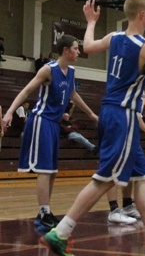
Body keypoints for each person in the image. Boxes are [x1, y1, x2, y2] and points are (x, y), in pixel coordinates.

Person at [41, 0, 145, 256]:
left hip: (111, 112)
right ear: (142, 15)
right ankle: (60, 232)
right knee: (103, 180)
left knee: (142, 178)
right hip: (123, 115)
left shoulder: (114, 37)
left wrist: (91, 22)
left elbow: (88, 45)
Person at [1, 35, 99, 231]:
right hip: (41, 120)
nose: (79, 51)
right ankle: (44, 212)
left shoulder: (70, 71)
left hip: (54, 124)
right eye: (75, 48)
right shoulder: (49, 70)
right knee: (45, 169)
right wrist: (10, 112)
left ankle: (45, 211)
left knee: (52, 170)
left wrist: (92, 115)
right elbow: (27, 90)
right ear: (65, 51)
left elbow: (73, 94)